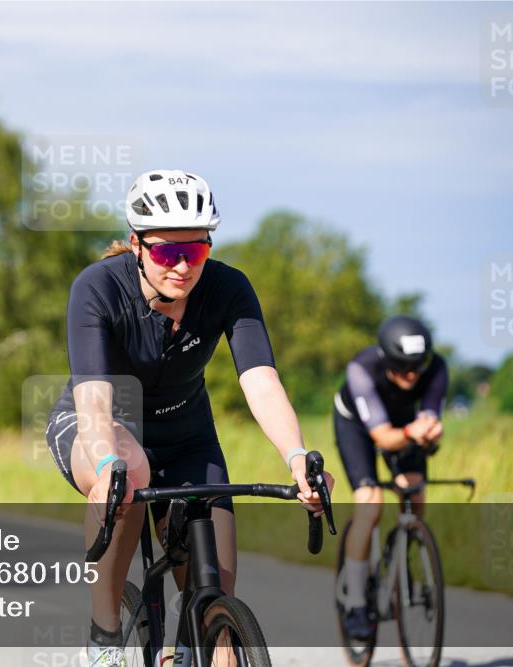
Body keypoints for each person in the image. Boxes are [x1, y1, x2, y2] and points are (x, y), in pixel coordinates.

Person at [44, 169, 332, 667]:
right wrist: (106, 458)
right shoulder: (97, 288)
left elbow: (261, 380)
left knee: (216, 596)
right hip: (104, 424)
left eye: (195, 252)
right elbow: (93, 397)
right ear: (136, 245)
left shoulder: (227, 288)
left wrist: (297, 456)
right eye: (165, 253)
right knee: (128, 473)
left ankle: (196, 642)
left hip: (187, 435)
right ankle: (105, 635)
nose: (182, 267)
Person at [334, 315, 447, 639]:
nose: (412, 375)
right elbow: (384, 438)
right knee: (370, 505)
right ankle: (355, 601)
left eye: (418, 367)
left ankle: (406, 552)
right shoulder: (362, 369)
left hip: (404, 426)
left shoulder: (436, 367)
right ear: (386, 360)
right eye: (402, 367)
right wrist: (415, 430)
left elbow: (429, 419)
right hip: (357, 426)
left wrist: (430, 432)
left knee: (415, 493)